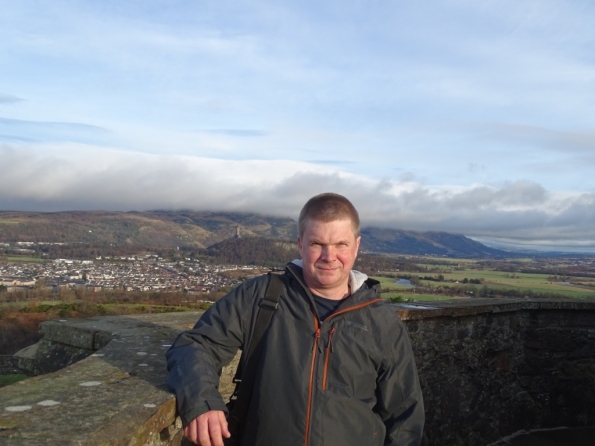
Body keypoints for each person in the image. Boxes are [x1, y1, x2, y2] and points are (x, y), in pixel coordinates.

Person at [166, 193, 424, 446]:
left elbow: (404, 418)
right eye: (317, 244)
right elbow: (196, 344)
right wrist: (202, 402)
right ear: (300, 244)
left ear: (356, 246)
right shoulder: (261, 296)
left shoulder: (381, 322)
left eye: (340, 245)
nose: (328, 256)